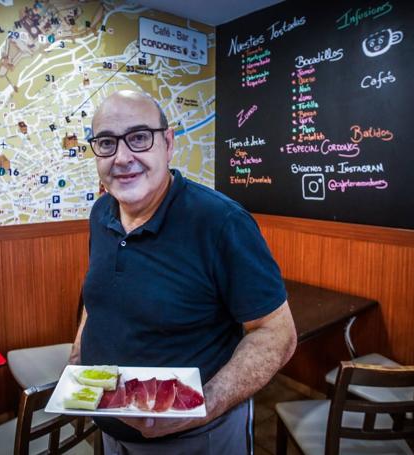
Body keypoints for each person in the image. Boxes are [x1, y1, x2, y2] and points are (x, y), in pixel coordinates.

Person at [69, 90, 297, 454]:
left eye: (139, 138)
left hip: (196, 437)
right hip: (110, 430)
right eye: (107, 143)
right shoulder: (101, 213)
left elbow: (277, 334)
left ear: (168, 143)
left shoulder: (222, 223)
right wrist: (79, 354)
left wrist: (202, 405)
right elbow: (98, 296)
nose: (122, 157)